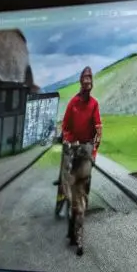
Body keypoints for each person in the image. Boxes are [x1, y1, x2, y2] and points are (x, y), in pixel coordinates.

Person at [57, 66, 102, 255]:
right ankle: (71, 228)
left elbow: (98, 130)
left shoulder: (94, 105)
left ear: (91, 83)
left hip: (84, 155)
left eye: (90, 79)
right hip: (72, 153)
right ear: (80, 82)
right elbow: (65, 127)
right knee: (71, 195)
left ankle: (79, 235)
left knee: (81, 197)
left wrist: (93, 151)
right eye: (84, 79)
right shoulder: (73, 104)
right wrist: (68, 141)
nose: (87, 82)